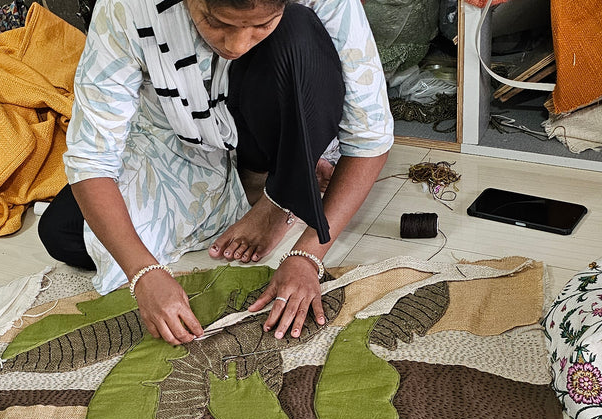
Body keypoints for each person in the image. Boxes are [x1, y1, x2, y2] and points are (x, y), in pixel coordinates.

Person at [38, 0, 392, 344]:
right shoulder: (127, 6)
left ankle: (280, 194)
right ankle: (256, 189)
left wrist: (307, 256)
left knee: (297, 31)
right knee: (65, 233)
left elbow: (370, 137)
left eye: (260, 25)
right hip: (179, 134)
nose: (236, 45)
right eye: (217, 23)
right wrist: (143, 273)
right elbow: (91, 157)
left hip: (278, 115)